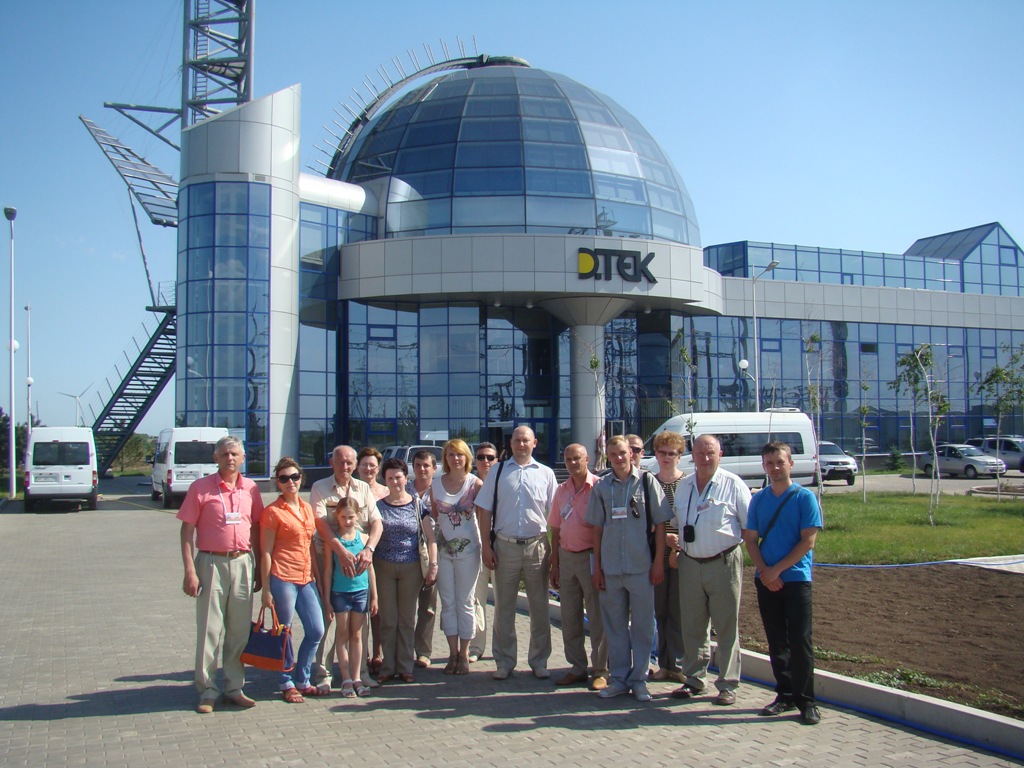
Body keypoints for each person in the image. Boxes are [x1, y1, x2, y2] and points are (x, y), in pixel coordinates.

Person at [177, 436, 263, 714]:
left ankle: (234, 687)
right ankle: (207, 690)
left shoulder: (251, 489)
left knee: (239, 630)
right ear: (215, 457)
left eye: (235, 454)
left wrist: (259, 568)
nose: (230, 458)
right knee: (210, 629)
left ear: (243, 458)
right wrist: (190, 571)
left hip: (243, 562)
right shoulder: (201, 488)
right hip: (211, 563)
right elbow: (186, 532)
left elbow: (257, 528)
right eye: (224, 454)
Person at [742, 441, 824, 726]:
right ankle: (785, 694)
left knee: (800, 641)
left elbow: (808, 541)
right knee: (776, 641)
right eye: (769, 463)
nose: (775, 468)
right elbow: (750, 540)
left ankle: (807, 701)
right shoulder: (759, 500)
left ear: (791, 463)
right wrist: (765, 572)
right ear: (763, 466)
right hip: (766, 581)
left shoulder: (804, 498)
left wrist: (776, 570)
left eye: (780, 462)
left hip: (796, 580)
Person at [585, 435, 670, 702]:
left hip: (641, 567)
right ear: (607, 457)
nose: (619, 458)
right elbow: (597, 529)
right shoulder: (601, 487)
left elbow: (660, 525)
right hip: (611, 569)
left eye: (623, 453)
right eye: (613, 454)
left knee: (643, 627)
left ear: (631, 454)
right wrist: (597, 568)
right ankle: (620, 679)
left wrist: (658, 562)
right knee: (615, 627)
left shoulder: (646, 482)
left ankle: (639, 680)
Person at [671, 433, 750, 706]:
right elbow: (678, 522)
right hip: (690, 563)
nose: (705, 458)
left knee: (726, 626)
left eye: (710, 453)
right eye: (700, 453)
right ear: (692, 455)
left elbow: (749, 527)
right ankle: (694, 679)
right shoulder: (684, 486)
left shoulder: (733, 484)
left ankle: (728, 684)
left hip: (723, 563)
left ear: (720, 455)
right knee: (693, 626)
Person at [477, 425, 557, 680]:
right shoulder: (498, 472)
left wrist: (555, 553)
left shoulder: (546, 474)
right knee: (504, 607)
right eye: (517, 440)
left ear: (535, 443)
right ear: (510, 443)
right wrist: (486, 546)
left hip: (537, 547)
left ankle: (539, 660)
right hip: (504, 546)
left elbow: (556, 516)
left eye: (526, 440)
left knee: (539, 607)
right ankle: (504, 661)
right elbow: (484, 510)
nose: (521, 444)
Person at [310, 445, 383, 693]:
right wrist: (340, 551)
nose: (345, 467)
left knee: (358, 627)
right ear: (332, 462)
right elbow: (320, 523)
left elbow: (376, 522)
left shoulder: (363, 488)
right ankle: (324, 673)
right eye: (340, 462)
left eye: (350, 463)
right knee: (329, 619)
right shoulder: (320, 487)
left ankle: (359, 674)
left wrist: (369, 549)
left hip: (359, 560)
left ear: (355, 464)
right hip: (329, 557)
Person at [259, 457, 326, 703]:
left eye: (294, 477)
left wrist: (317, 577)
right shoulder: (272, 512)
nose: (290, 482)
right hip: (283, 577)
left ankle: (302, 678)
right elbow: (266, 552)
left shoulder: (307, 508)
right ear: (278, 482)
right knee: (283, 632)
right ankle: (286, 682)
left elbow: (310, 546)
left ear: (301, 479)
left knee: (316, 630)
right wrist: (266, 589)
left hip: (306, 577)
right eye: (284, 478)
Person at [548, 443, 608, 691]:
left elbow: (604, 529)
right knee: (570, 616)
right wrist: (555, 564)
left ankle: (600, 670)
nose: (572, 463)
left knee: (597, 617)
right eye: (568, 459)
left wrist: (601, 565)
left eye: (577, 458)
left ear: (587, 459)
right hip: (567, 557)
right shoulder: (561, 490)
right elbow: (555, 528)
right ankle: (577, 667)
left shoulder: (600, 488)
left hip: (591, 557)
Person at [375, 457, 438, 683]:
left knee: (407, 618)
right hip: (383, 567)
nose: (395, 482)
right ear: (385, 479)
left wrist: (433, 565)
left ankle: (404, 665)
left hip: (411, 568)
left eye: (398, 477)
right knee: (388, 619)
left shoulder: (417, 505)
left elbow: (431, 538)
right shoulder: (378, 506)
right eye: (390, 478)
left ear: (406, 478)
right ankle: (387, 667)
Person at [428, 439, 483, 675]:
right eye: (450, 455)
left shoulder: (475, 484)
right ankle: (452, 653)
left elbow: (485, 517)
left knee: (465, 601)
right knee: (448, 602)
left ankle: (464, 654)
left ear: (466, 457)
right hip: (443, 552)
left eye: (459, 454)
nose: (455, 459)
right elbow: (435, 517)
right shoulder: (436, 484)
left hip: (469, 552)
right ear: (445, 459)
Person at [322, 497, 378, 698]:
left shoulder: (364, 539)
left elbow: (370, 570)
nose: (347, 521)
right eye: (343, 517)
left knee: (357, 636)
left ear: (358, 516)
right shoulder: (333, 542)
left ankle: (356, 677)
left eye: (351, 517)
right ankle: (345, 678)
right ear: (337, 516)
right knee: (342, 635)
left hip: (361, 592)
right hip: (340, 593)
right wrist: (327, 600)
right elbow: (328, 571)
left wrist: (374, 597)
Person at [651, 430, 686, 684]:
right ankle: (664, 664)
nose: (666, 457)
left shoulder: (687, 484)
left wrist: (677, 547)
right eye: (662, 452)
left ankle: (679, 664)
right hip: (655, 557)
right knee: (660, 611)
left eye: (671, 453)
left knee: (679, 612)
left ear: (680, 456)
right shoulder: (648, 482)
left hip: (682, 556)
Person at [356, 446, 387, 676]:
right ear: (358, 467)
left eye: (372, 465)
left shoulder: (386, 491)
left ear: (378, 468)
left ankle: (378, 651)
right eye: (364, 464)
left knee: (378, 609)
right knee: (359, 608)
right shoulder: (352, 490)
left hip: (382, 555)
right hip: (358, 557)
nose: (368, 469)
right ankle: (362, 654)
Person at [409, 450, 439, 668]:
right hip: (407, 554)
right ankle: (403, 650)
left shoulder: (440, 491)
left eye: (426, 465)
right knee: (406, 608)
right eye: (418, 465)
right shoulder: (403, 488)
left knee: (428, 607)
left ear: (434, 469)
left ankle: (423, 652)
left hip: (431, 552)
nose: (422, 469)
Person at [469, 441, 498, 662]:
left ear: (497, 460)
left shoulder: (503, 482)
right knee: (476, 599)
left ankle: (500, 648)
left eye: (490, 457)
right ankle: (476, 647)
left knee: (502, 601)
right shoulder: (469, 485)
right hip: (475, 549)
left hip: (500, 548)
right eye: (481, 457)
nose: (485, 461)